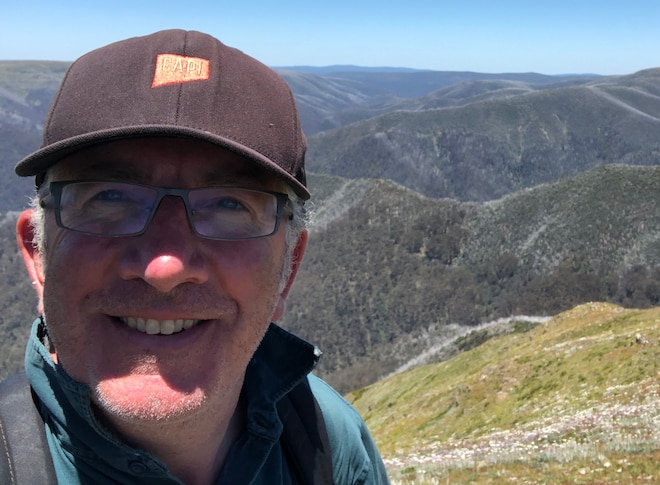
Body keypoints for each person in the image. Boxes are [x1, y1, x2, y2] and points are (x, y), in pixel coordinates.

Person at [1, 29, 390, 484]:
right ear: (37, 253)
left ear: (288, 269)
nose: (165, 269)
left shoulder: (327, 439)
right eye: (108, 198)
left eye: (230, 205)